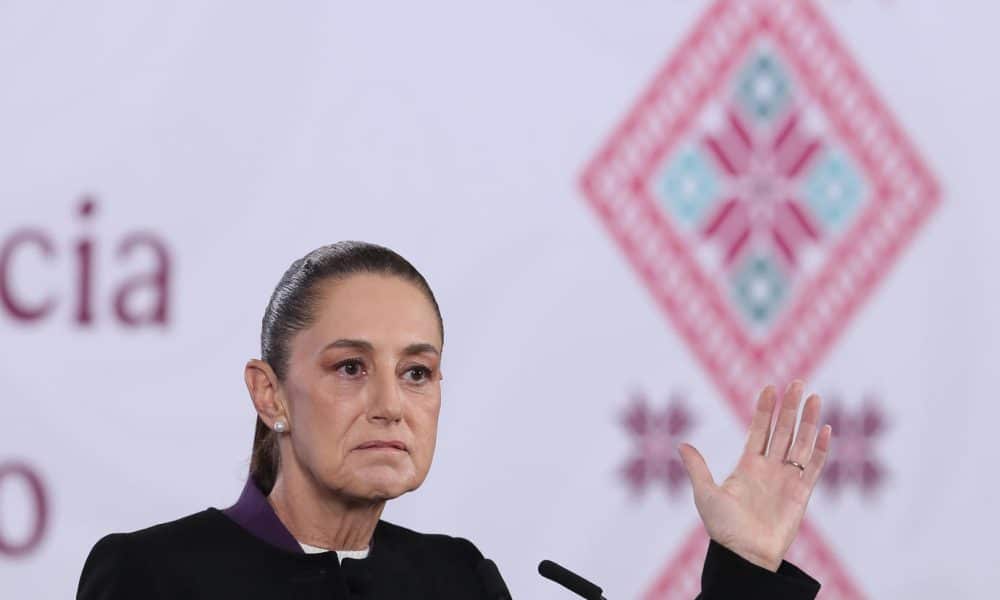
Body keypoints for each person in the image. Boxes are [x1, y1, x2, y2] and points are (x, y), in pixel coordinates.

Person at [77, 241, 831, 599]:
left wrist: (747, 573)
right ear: (270, 394)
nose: (389, 405)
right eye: (349, 368)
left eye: (416, 373)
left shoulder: (456, 580)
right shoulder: (150, 575)